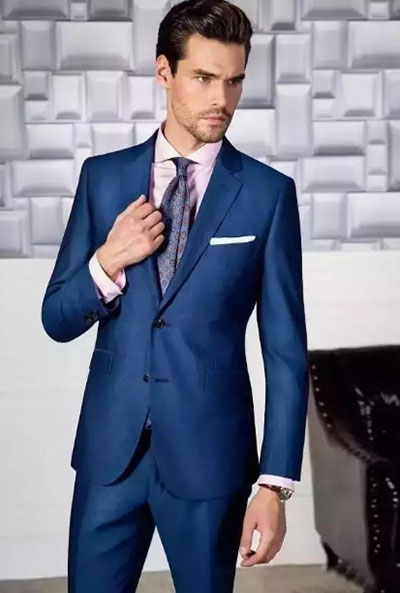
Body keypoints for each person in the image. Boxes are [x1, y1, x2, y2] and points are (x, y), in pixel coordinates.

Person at [41, 1, 309, 591]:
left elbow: (286, 352)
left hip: (211, 460)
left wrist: (275, 484)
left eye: (234, 81)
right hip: (109, 458)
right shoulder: (103, 178)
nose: (222, 99)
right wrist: (108, 261)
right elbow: (56, 318)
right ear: (164, 72)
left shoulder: (268, 195)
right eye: (204, 78)